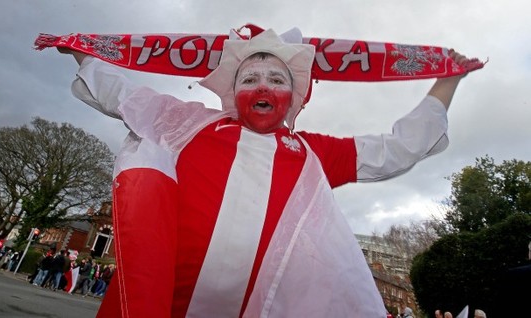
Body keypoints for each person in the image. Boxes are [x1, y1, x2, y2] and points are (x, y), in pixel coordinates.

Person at [56, 27, 477, 317]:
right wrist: (79, 48)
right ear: (232, 92)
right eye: (250, 78)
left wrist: (448, 82)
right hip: (161, 303)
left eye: (276, 79)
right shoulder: (188, 124)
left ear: (293, 98)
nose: (262, 86)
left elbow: (396, 148)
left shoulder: (312, 152)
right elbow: (122, 95)